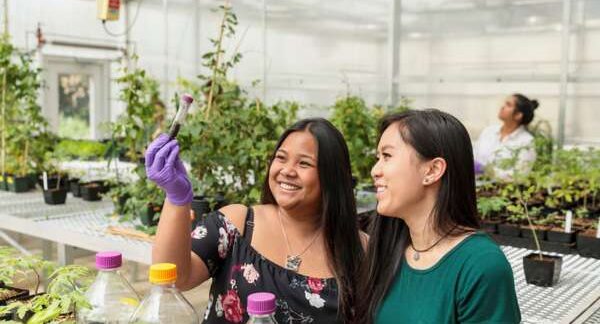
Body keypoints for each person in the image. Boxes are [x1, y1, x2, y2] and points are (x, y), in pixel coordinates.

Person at [145, 118, 365, 323]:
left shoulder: (361, 250)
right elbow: (174, 278)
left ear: (333, 176)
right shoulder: (238, 224)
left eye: (304, 164)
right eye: (281, 158)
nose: (287, 170)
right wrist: (176, 197)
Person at [356, 109, 521, 323]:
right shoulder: (387, 248)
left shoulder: (480, 266)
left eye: (387, 156)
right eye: (378, 158)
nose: (375, 170)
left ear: (433, 170)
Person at [474, 93, 539, 179]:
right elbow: (474, 156)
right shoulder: (488, 131)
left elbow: (520, 176)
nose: (502, 107)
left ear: (518, 115)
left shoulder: (527, 142)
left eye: (508, 105)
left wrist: (488, 171)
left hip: (501, 190)